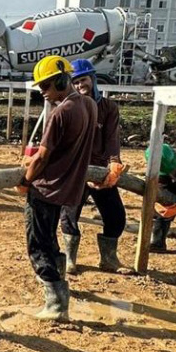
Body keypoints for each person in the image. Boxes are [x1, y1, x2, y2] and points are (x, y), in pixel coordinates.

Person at [17, 55, 96, 321]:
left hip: (46, 188)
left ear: (62, 80)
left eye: (46, 87)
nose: (43, 93)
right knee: (50, 241)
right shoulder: (89, 104)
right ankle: (60, 295)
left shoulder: (61, 112)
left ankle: (56, 304)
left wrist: (26, 180)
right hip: (68, 187)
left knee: (39, 246)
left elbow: (42, 156)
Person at [59, 59, 128, 274]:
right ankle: (70, 259)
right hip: (75, 170)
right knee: (69, 215)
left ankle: (108, 259)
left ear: (93, 79)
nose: (81, 85)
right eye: (76, 82)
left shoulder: (108, 108)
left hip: (100, 170)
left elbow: (111, 139)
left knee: (116, 216)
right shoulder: (68, 107)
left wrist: (114, 161)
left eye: (84, 80)